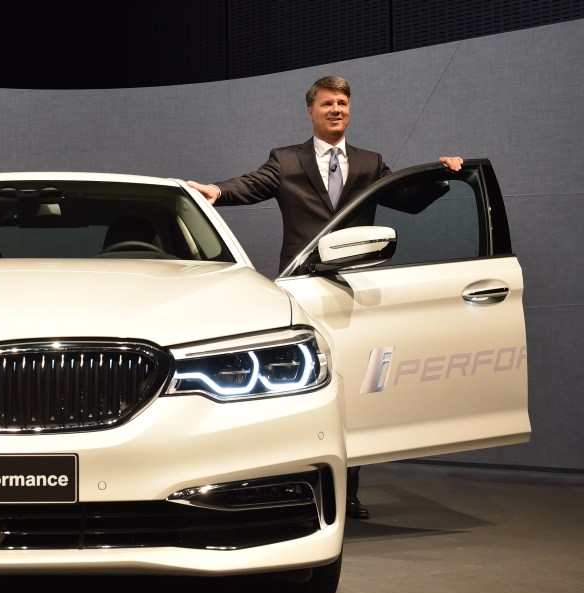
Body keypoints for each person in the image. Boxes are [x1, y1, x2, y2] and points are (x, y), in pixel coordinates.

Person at [185, 75, 463, 519]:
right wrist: (216, 192)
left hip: (357, 289)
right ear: (311, 111)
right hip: (303, 287)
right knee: (303, 387)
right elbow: (252, 184)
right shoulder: (287, 159)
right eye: (329, 103)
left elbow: (407, 199)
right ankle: (293, 484)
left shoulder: (371, 163)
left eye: (344, 103)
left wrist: (442, 175)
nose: (337, 109)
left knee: (353, 390)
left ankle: (348, 492)